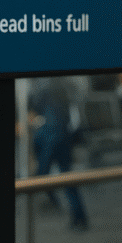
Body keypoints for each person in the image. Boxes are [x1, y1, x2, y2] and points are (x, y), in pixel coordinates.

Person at [28, 77, 89, 231]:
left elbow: (35, 111)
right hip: (63, 136)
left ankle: (55, 204)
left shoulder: (41, 88)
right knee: (67, 179)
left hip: (51, 137)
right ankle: (79, 216)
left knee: (42, 175)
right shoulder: (61, 85)